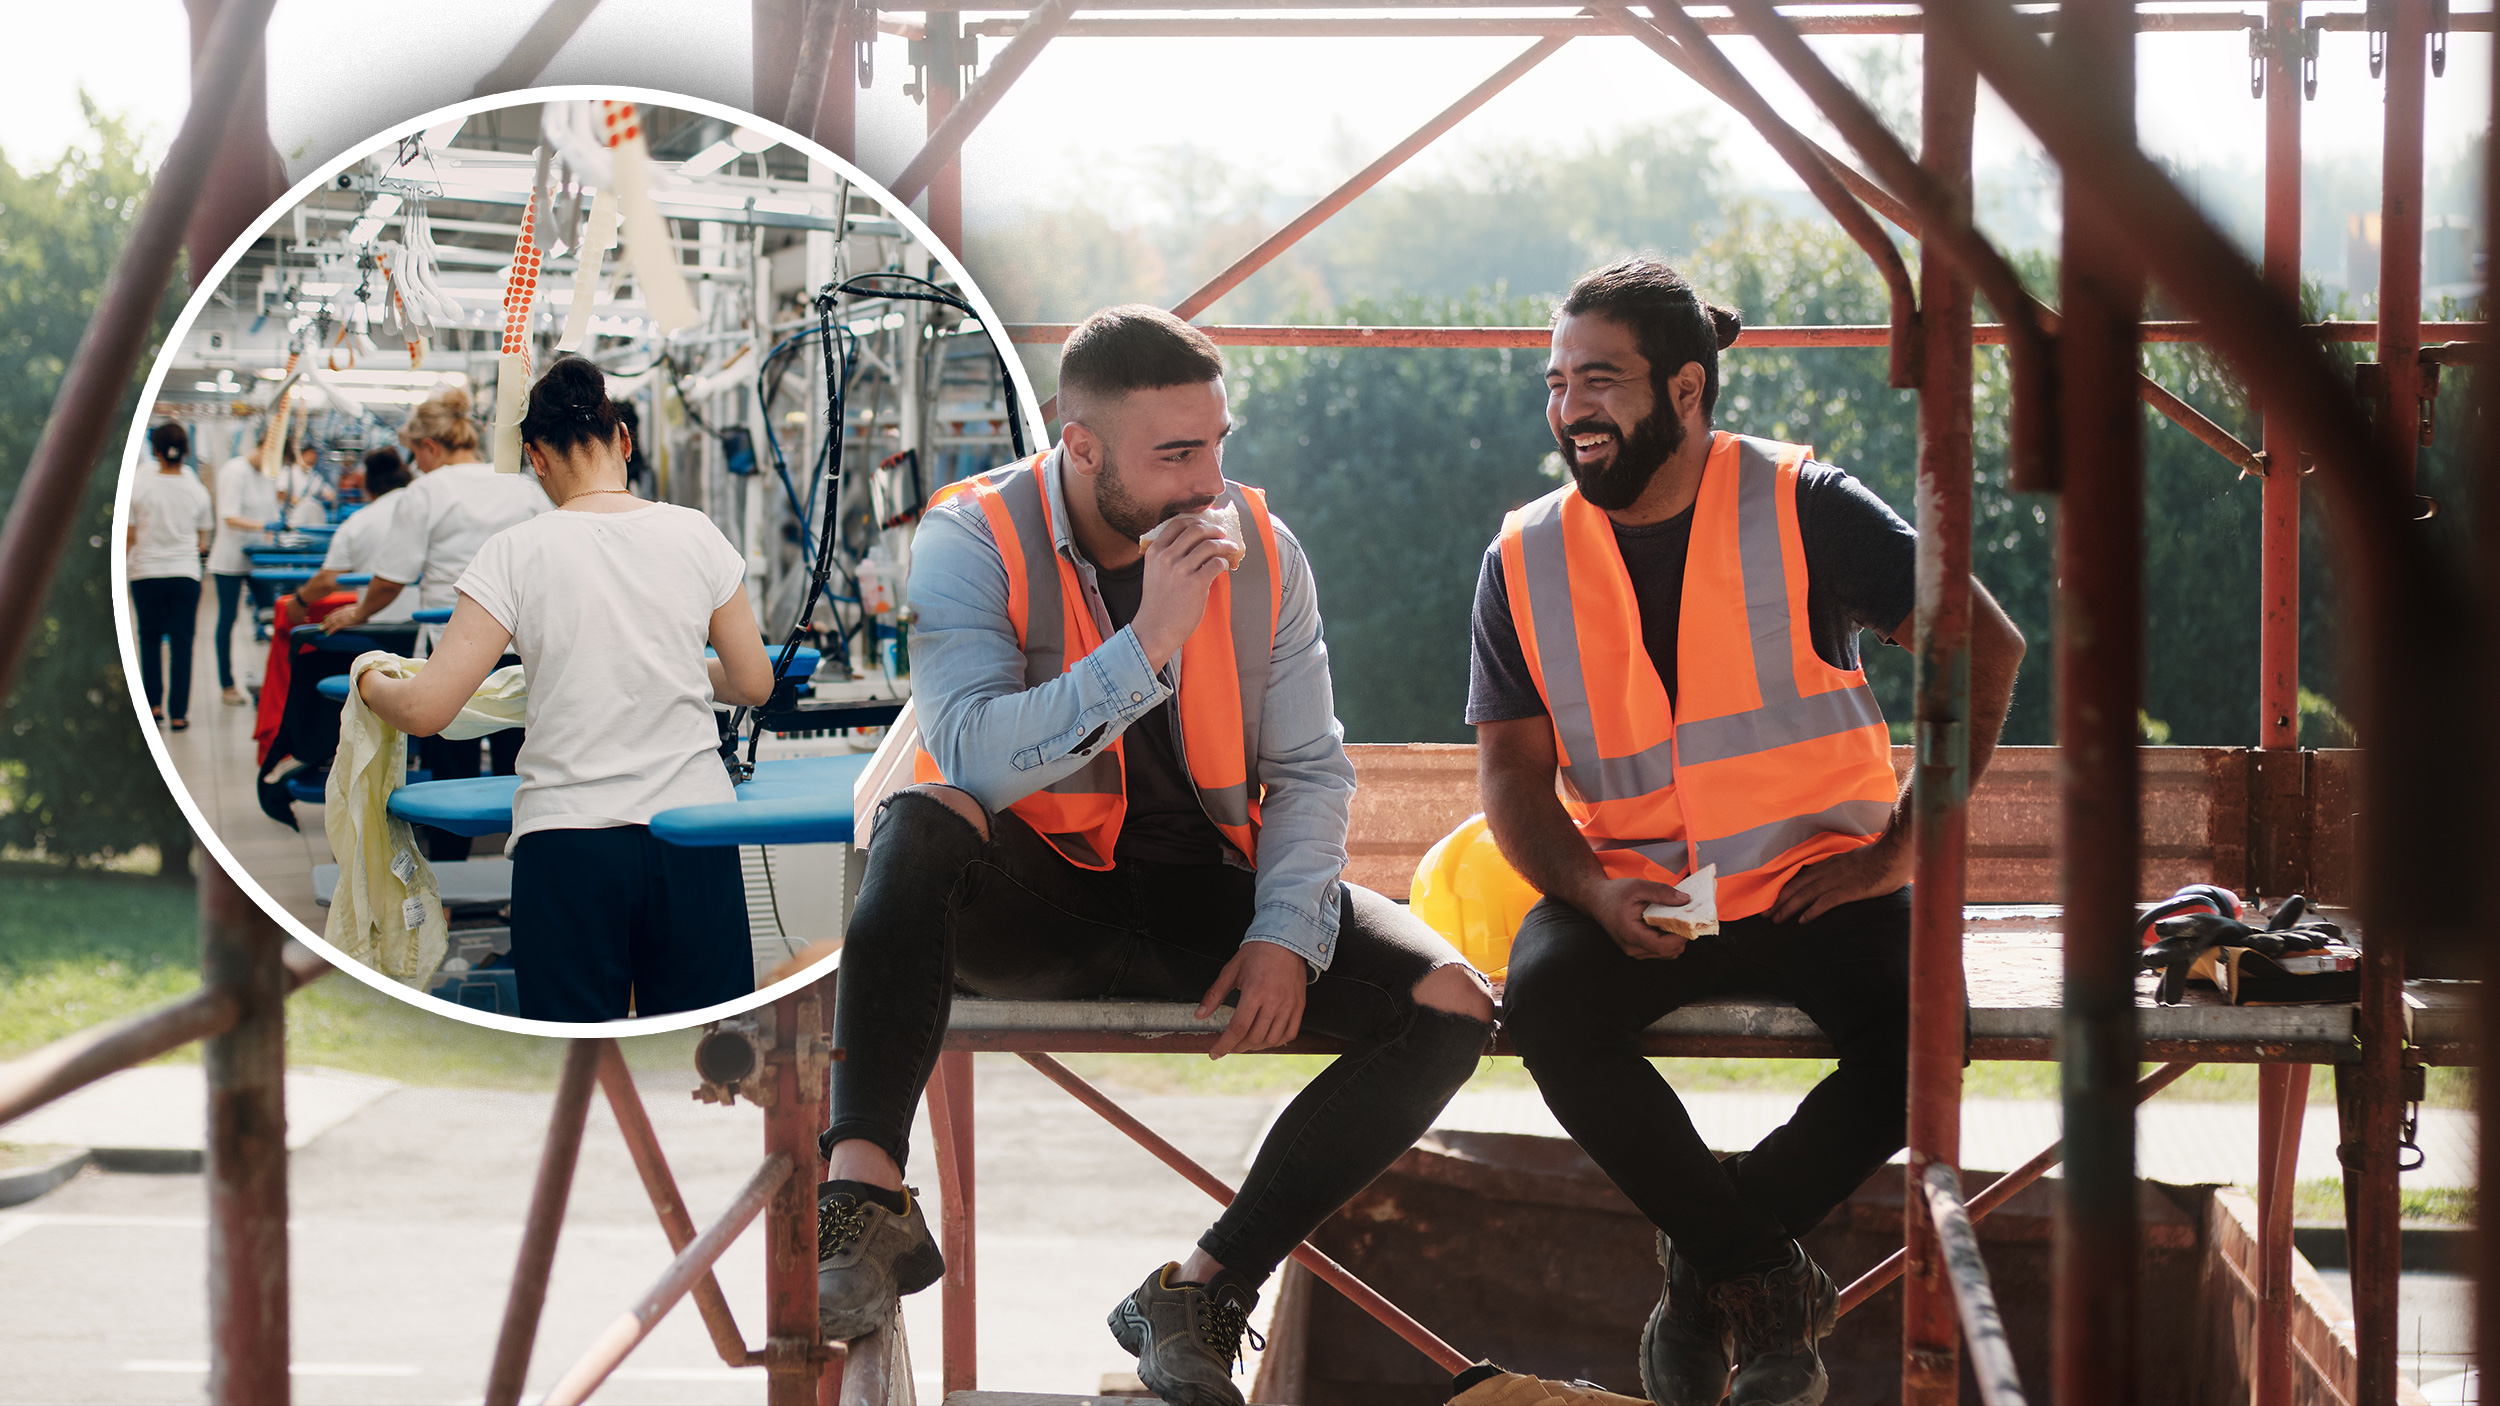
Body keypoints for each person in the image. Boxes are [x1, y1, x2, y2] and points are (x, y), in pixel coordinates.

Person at [814, 306, 1496, 1406]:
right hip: (1036, 906)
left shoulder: (1267, 552)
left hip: (1203, 907)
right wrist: (1150, 643)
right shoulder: (969, 536)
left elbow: (1312, 774)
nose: (1205, 480)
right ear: (1079, 445)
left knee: (1452, 999)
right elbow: (974, 755)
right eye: (1173, 453)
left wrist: (1284, 931)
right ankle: (863, 1206)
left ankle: (1203, 1287)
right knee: (920, 815)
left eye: (1217, 442)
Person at [1472, 259, 2026, 1406]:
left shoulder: (1801, 502)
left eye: (1602, 380)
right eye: (1557, 380)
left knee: (1926, 1037)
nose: (1572, 406)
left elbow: (1988, 646)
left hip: (1822, 874)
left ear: (1683, 389)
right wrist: (1587, 888)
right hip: (1637, 883)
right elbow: (1513, 775)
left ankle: (1708, 1260)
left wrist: (1901, 848)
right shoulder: (1522, 555)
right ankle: (1762, 1276)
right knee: (1546, 1005)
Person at [356, 356, 776, 1022]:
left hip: (571, 847)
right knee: (705, 1060)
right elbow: (754, 683)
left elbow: (430, 709)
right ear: (625, 441)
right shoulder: (696, 533)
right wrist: (663, 665)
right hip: (695, 835)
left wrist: (371, 682)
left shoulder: (516, 551)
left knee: (579, 1067)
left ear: (536, 459)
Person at [326, 384, 550, 858]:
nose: (416, 464)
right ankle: (526, 872)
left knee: (454, 771)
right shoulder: (525, 486)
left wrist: (359, 613)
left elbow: (391, 580)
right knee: (525, 764)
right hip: (521, 648)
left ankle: (448, 875)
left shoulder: (427, 490)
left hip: (453, 649)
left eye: (415, 453)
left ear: (429, 446)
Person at [127, 422, 215, 732]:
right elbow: (203, 538)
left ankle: (153, 707)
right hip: (185, 574)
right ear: (186, 450)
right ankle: (179, 714)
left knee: (150, 641)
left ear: (155, 449)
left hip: (146, 573)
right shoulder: (196, 489)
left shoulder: (140, 485)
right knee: (182, 644)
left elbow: (129, 534)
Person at [292, 447, 416, 622]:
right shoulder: (426, 510)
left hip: (380, 625)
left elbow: (328, 580)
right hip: (431, 625)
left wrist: (299, 600)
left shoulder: (360, 522)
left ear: (367, 486)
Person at [208, 427, 284, 705]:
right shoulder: (234, 471)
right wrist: (264, 525)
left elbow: (271, 511)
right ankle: (227, 685)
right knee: (228, 618)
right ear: (263, 445)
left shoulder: (267, 475)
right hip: (229, 558)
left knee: (272, 616)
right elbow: (229, 516)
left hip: (259, 559)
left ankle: (275, 681)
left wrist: (275, 532)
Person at [279, 440, 334, 528]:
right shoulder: (288, 472)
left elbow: (328, 492)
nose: (312, 459)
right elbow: (280, 493)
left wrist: (331, 497)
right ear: (301, 455)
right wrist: (294, 500)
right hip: (291, 516)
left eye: (314, 457)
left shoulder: (314, 476)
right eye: (309, 456)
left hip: (309, 517)